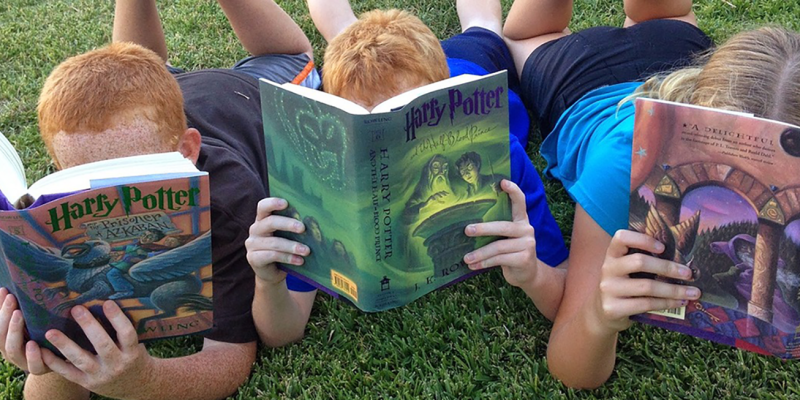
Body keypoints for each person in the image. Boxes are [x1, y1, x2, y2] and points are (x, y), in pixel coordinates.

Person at [0, 0, 320, 399]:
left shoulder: (226, 199)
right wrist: (50, 355)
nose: (118, 201)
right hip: (162, 96)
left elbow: (231, 357)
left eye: (137, 178)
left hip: (252, 91)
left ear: (187, 151)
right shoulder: (79, 189)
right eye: (91, 182)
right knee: (144, 70)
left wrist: (143, 383)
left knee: (292, 56)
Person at [503, 0, 799, 389]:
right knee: (525, 36)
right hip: (582, 81)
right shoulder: (625, 165)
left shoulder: (715, 89)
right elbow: (569, 364)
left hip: (677, 46)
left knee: (667, 16)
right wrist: (597, 316)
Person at [245, 0, 569, 323]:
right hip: (383, 80)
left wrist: (534, 272)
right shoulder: (325, 175)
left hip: (469, 64)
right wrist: (267, 281)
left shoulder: (503, 155)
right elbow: (282, 332)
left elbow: (563, 282)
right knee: (345, 37)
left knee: (482, 25)